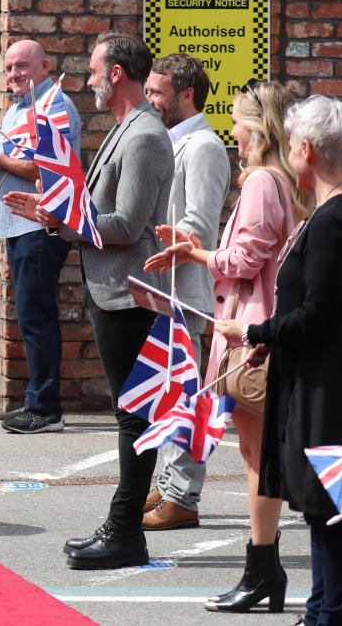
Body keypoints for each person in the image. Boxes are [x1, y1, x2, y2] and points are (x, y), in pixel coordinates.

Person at [6, 31, 173, 569]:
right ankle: (123, 527)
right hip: (112, 287)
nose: (90, 81)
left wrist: (62, 221)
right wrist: (55, 214)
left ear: (117, 74)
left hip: (130, 293)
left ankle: (125, 531)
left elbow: (127, 224)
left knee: (135, 415)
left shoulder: (144, 134)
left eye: (96, 71)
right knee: (130, 413)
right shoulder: (124, 128)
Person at [147, 79, 310, 612]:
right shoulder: (282, 179)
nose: (232, 131)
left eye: (238, 121)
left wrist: (197, 256)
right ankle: (264, 568)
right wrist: (204, 249)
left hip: (249, 333)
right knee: (254, 454)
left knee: (258, 458)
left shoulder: (264, 180)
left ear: (258, 127)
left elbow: (245, 260)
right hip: (255, 327)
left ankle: (263, 568)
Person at [217, 96, 342, 625]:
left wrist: (255, 330)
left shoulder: (334, 220)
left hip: (331, 385)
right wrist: (269, 340)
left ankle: (331, 616)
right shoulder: (334, 214)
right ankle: (319, 611)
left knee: (332, 511)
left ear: (306, 150)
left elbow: (316, 316)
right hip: (322, 378)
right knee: (321, 508)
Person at [0, 39, 81, 434]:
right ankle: (36, 403)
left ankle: (46, 409)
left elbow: (47, 171)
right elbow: (3, 174)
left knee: (36, 314)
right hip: (17, 223)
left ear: (45, 65)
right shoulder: (15, 110)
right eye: (9, 68)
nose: (13, 75)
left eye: (22, 66)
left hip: (40, 224)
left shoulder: (54, 105)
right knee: (29, 313)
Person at [139, 53, 231, 530]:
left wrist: (157, 240)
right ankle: (167, 485)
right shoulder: (172, 141)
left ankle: (183, 498)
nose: (150, 99)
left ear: (186, 94)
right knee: (172, 396)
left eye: (157, 93)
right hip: (166, 289)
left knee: (190, 399)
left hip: (190, 292)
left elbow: (199, 222)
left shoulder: (204, 147)